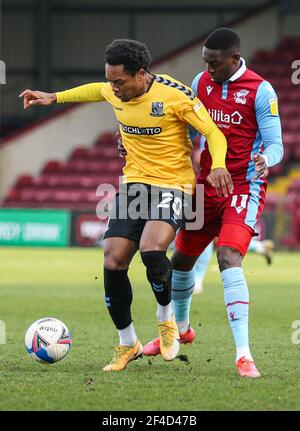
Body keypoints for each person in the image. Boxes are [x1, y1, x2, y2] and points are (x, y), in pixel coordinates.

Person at [19, 39, 233, 371]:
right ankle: (127, 343)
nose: (114, 89)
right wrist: (54, 97)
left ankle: (166, 321)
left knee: (151, 250)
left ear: (140, 74)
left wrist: (218, 164)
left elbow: (214, 132)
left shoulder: (175, 96)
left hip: (173, 185)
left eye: (120, 82)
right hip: (135, 185)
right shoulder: (113, 90)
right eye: (111, 81)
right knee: (113, 258)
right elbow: (94, 90)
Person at [143, 28, 283, 378]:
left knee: (227, 256)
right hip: (206, 187)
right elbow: (191, 130)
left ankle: (243, 355)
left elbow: (276, 143)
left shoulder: (261, 91)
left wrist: (268, 159)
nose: (209, 70)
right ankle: (181, 330)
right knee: (181, 261)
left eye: (215, 64)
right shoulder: (201, 82)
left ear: (235, 58)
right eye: (205, 63)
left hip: (243, 187)